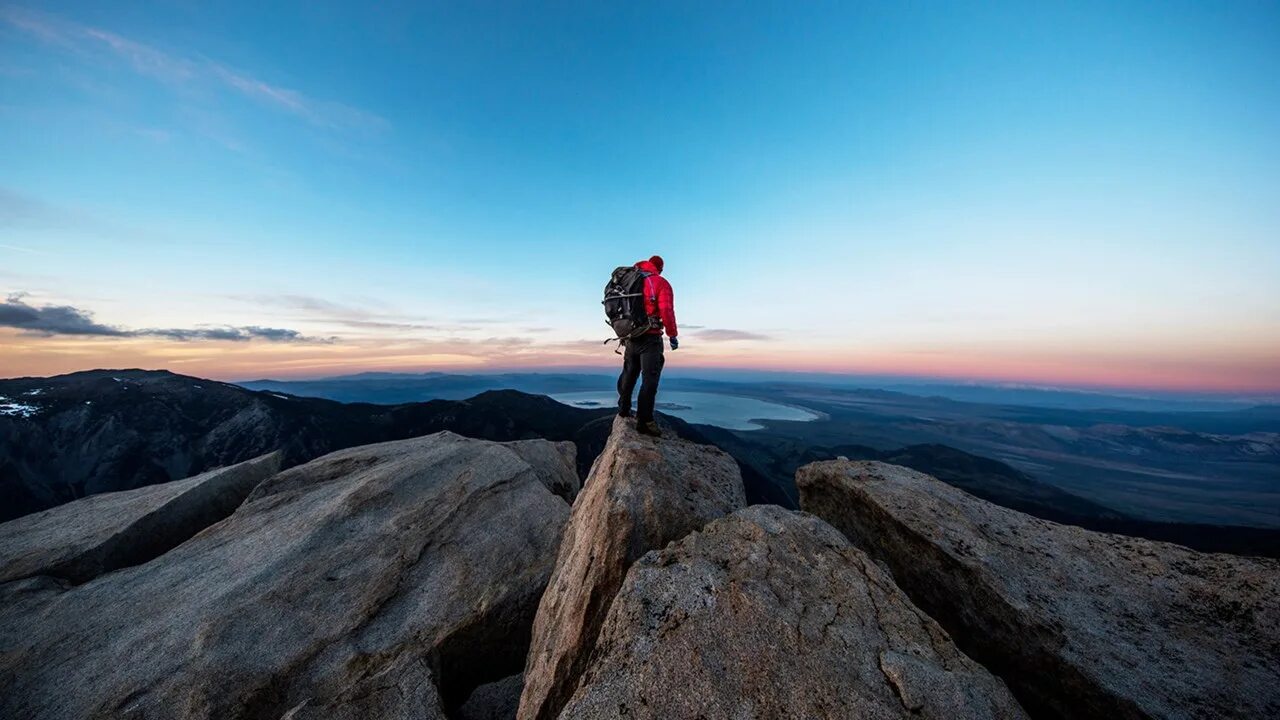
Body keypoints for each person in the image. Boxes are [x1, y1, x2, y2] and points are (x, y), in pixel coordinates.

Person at [617, 255, 678, 437]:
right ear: (659, 268)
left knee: (629, 373)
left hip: (631, 337)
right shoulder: (660, 282)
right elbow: (666, 310)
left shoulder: (630, 280)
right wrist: (672, 335)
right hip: (650, 339)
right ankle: (644, 421)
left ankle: (623, 409)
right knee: (649, 380)